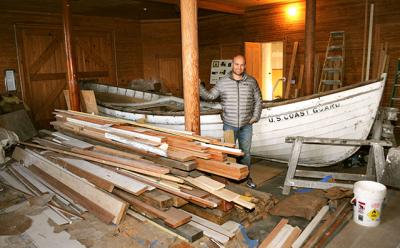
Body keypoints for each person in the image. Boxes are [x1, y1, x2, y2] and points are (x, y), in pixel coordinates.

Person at [200, 54, 262, 188]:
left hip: (246, 125)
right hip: (229, 124)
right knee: (229, 153)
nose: (239, 67)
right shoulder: (223, 81)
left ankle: (246, 178)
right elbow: (210, 96)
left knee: (245, 153)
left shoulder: (251, 81)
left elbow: (258, 100)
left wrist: (255, 117)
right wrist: (198, 85)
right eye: (236, 64)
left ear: (244, 66)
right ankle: (230, 178)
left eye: (242, 64)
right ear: (232, 64)